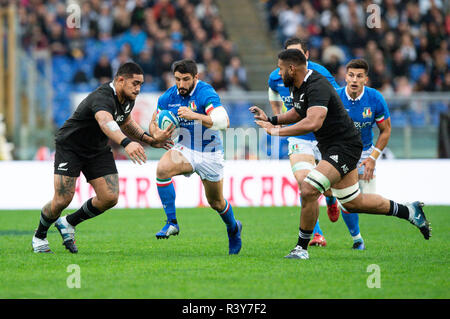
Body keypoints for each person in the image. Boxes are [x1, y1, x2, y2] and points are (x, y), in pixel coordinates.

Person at [252, 49, 431, 260]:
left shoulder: (316, 84)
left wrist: (278, 132)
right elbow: (299, 113)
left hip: (344, 147)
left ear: (292, 69)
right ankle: (410, 211)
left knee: (309, 189)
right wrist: (272, 120)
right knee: (353, 202)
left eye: (281, 69)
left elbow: (313, 122)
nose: (279, 75)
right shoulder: (299, 86)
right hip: (332, 146)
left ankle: (301, 248)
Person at [31, 62, 174, 253]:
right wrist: (126, 143)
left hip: (96, 149)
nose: (138, 89)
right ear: (121, 80)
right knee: (62, 199)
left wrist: (149, 139)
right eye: (135, 83)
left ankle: (68, 222)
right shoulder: (103, 97)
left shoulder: (127, 98)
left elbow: (126, 121)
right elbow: (106, 123)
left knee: (109, 196)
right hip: (71, 147)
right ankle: (39, 235)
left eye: (141, 84)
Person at [267, 37, 355, 247]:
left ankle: (331, 198)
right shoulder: (276, 76)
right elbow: (273, 90)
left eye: (297, 54)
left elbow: (336, 98)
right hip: (299, 137)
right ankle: (315, 234)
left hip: (322, 135)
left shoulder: (320, 75)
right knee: (304, 182)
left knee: (325, 187)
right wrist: (276, 115)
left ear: (305, 56)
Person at [149, 59, 242, 255]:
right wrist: (156, 134)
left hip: (211, 153)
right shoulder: (168, 96)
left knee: (216, 202)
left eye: (185, 79)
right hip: (186, 148)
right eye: (177, 79)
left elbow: (224, 121)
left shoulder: (205, 93)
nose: (181, 84)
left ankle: (233, 228)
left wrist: (195, 115)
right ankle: (171, 222)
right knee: (162, 169)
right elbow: (154, 121)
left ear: (196, 78)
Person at [336, 59, 392, 250]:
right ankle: (357, 239)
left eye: (359, 76)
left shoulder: (375, 98)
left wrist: (372, 159)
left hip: (365, 152)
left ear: (365, 80)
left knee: (366, 200)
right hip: (340, 150)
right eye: (351, 75)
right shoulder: (335, 97)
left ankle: (332, 198)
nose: (354, 79)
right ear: (345, 77)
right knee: (347, 199)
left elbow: (386, 130)